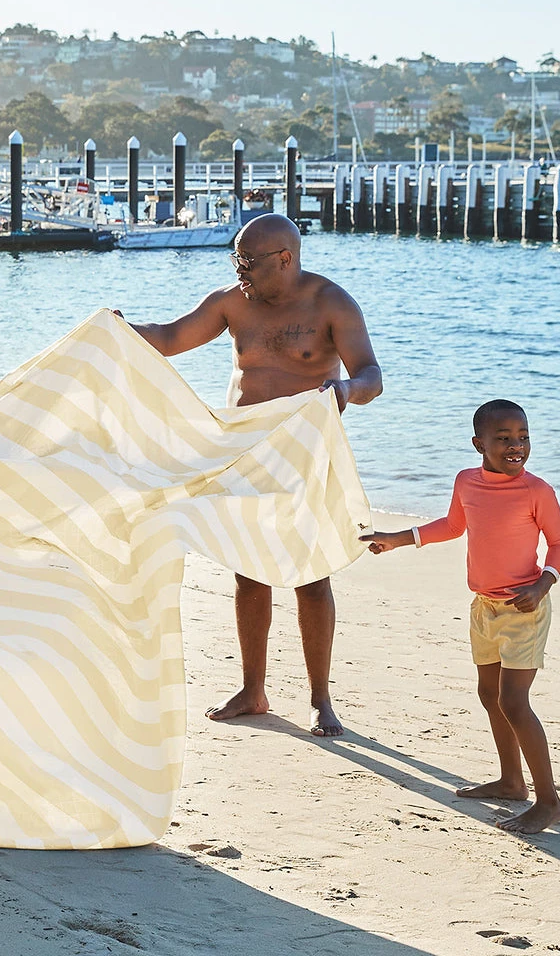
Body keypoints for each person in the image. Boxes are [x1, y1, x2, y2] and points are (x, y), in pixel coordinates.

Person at [122, 213, 382, 737]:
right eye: (234, 259)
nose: (238, 271)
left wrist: (346, 391)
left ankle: (320, 698)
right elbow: (170, 337)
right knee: (248, 571)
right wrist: (121, 330)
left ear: (284, 259)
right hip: (244, 450)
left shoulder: (331, 303)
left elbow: (371, 376)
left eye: (247, 262)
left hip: (305, 452)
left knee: (311, 575)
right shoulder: (232, 301)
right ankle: (252, 689)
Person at [363, 399, 560, 835]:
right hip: (483, 607)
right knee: (489, 694)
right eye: (504, 438)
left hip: (524, 609)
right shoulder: (466, 482)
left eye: (523, 437)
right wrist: (397, 539)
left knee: (514, 701)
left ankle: (549, 801)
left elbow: (559, 544)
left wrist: (542, 586)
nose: (516, 446)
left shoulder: (537, 491)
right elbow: (453, 526)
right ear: (479, 444)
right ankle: (512, 783)